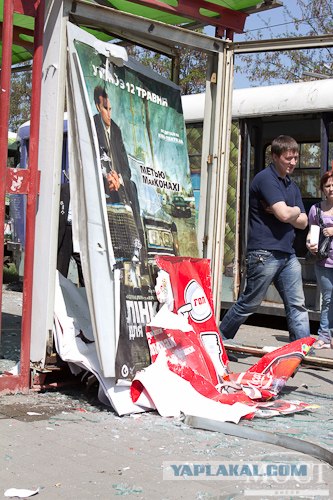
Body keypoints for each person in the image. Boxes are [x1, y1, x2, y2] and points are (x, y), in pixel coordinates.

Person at [219, 135, 310, 343]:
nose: (293, 163)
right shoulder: (265, 179)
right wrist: (292, 212)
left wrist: (290, 210)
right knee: (250, 302)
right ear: (275, 156)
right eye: (289, 158)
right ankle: (219, 339)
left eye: (296, 158)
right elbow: (286, 216)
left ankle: (302, 347)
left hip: (287, 254)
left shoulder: (291, 186)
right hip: (264, 253)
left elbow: (303, 222)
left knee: (297, 303)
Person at [93, 85, 147, 275]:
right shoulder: (91, 126)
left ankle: (138, 247)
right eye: (106, 108)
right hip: (100, 187)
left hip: (119, 186)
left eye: (111, 108)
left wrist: (120, 179)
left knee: (131, 186)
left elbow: (125, 165)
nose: (109, 113)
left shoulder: (116, 129)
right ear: (98, 108)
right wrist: (107, 177)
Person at [306, 171, 333, 349]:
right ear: (323, 189)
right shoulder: (316, 209)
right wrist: (310, 244)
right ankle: (324, 336)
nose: (331, 189)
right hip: (324, 261)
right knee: (328, 299)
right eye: (328, 185)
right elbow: (311, 233)